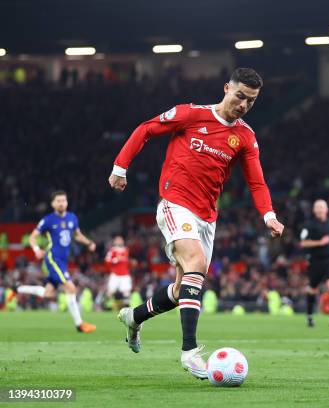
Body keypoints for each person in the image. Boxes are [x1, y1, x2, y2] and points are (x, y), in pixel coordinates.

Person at [108, 68, 284, 380]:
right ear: (227, 88)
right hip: (175, 202)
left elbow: (256, 183)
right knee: (196, 263)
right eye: (240, 95)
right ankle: (190, 352)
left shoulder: (245, 136)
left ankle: (134, 317)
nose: (243, 104)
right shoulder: (191, 115)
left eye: (251, 101)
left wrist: (269, 215)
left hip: (207, 216)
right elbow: (147, 128)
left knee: (182, 289)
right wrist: (120, 168)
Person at [17, 190, 97, 333]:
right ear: (53, 204)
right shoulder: (48, 220)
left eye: (63, 200)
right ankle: (79, 324)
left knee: (48, 293)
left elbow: (77, 236)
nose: (61, 203)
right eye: (58, 201)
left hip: (63, 260)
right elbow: (32, 237)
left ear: (67, 202)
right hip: (53, 259)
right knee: (71, 288)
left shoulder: (72, 218)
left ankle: (17, 289)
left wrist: (89, 242)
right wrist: (36, 249)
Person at [299, 199, 329, 328]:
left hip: (328, 260)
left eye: (322, 207)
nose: (320, 209)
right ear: (314, 210)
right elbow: (303, 243)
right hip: (315, 261)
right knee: (312, 289)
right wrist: (320, 242)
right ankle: (309, 316)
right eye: (317, 207)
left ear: (326, 209)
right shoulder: (309, 225)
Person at [105, 235, 132, 309]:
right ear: (115, 242)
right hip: (115, 274)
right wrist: (115, 260)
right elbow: (107, 261)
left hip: (125, 274)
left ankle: (127, 306)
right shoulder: (112, 250)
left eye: (121, 240)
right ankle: (106, 305)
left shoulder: (126, 250)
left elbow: (126, 262)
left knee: (126, 290)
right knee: (111, 291)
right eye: (118, 240)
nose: (120, 241)